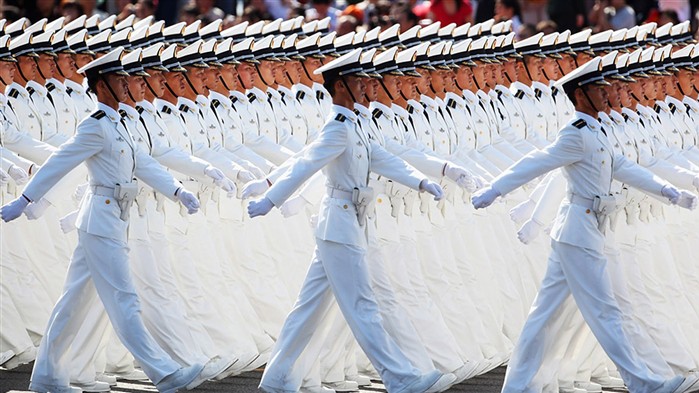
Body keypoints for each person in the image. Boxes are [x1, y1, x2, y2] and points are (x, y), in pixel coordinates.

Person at [471, 57, 699, 393]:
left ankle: (518, 387)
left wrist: (668, 192)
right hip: (579, 232)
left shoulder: (596, 130)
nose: (608, 95)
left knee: (544, 316)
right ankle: (645, 383)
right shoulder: (576, 133)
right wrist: (493, 190)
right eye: (599, 91)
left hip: (583, 230)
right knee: (606, 311)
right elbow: (537, 162)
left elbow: (622, 166)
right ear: (580, 96)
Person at [246, 48, 455, 393]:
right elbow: (306, 163)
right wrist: (270, 198)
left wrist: (420, 180)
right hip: (339, 224)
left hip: (347, 224)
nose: (364, 86)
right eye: (357, 81)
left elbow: (381, 158)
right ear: (341, 86)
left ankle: (277, 378)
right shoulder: (339, 127)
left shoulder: (354, 123)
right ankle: (400, 378)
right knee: (363, 306)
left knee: (308, 309)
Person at [0, 47, 207, 393]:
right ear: (101, 86)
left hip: (110, 219)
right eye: (117, 79)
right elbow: (59, 163)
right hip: (102, 219)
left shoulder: (118, 123)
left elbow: (143, 163)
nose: (125, 84)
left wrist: (177, 190)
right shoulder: (94, 126)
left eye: (125, 78)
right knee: (125, 298)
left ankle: (47, 378)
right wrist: (25, 199)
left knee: (72, 302)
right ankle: (165, 373)